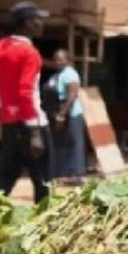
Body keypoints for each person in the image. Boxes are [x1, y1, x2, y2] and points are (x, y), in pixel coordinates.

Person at [0, 1, 49, 203]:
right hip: (32, 124)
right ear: (27, 23)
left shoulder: (0, 47)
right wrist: (35, 132)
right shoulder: (30, 53)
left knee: (5, 176)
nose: (41, 24)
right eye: (37, 19)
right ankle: (45, 226)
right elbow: (26, 91)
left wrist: (2, 114)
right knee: (43, 180)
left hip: (10, 124)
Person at [47, 49, 87, 181]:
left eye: (61, 59)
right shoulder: (58, 74)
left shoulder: (70, 74)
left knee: (73, 143)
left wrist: (62, 114)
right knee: (61, 143)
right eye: (56, 59)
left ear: (68, 60)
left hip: (71, 113)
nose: (58, 62)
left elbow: (72, 95)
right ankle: (62, 173)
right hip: (59, 111)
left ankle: (76, 174)